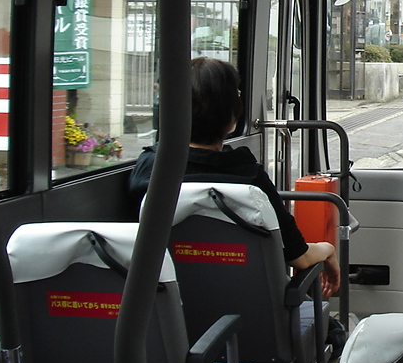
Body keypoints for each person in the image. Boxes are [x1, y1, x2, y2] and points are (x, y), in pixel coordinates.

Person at [129, 57, 341, 296]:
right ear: (232, 118)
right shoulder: (249, 176)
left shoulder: (149, 168)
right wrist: (328, 249)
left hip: (165, 308)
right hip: (252, 307)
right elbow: (299, 257)